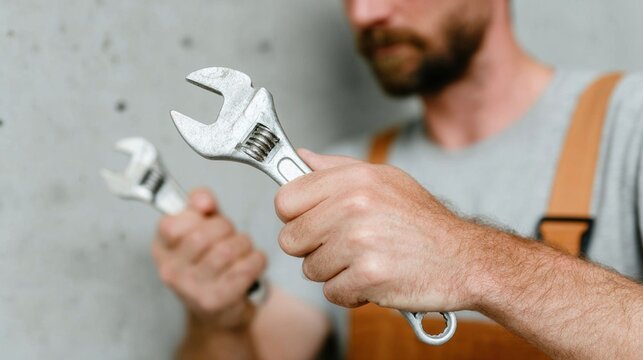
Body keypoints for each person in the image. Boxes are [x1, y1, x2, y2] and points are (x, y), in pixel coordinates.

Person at [152, 0, 643, 359]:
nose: (365, 14)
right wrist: (216, 324)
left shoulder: (631, 121)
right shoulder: (336, 176)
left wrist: (468, 257)